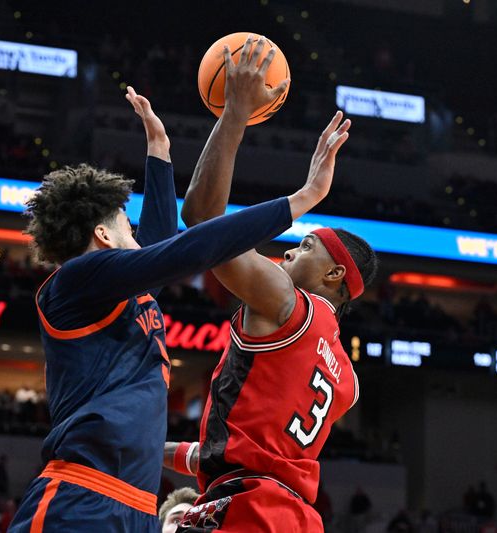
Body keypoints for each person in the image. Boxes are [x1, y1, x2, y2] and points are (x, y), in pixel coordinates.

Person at [9, 79, 333, 532]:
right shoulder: (75, 282)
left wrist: (159, 150)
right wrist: (302, 200)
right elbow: (182, 251)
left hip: (139, 507)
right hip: (80, 497)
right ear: (102, 236)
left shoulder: (124, 295)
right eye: (127, 224)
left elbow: (160, 244)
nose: (137, 235)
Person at [164, 37, 377, 532]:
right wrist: (144, 445)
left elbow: (202, 222)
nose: (285, 252)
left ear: (333, 275)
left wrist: (234, 113)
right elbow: (239, 450)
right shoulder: (347, 380)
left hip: (251, 510)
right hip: (290, 515)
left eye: (303, 248)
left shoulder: (290, 306)